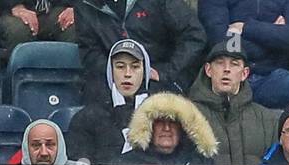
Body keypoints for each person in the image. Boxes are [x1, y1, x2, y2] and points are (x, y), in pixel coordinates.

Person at [196, 0, 289, 111]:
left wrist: (246, 28)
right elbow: (222, 42)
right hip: (232, 76)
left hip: (271, 76)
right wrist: (274, 33)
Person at [77, 0, 206, 96]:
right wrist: (116, 73)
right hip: (112, 83)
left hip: (160, 77)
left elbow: (194, 36)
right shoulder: (84, 5)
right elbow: (90, 51)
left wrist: (167, 72)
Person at [188, 40, 280, 165]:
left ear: (244, 73)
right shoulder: (188, 115)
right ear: (208, 70)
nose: (226, 69)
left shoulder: (268, 120)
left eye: (234, 64)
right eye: (220, 63)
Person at [66, 38, 152, 165]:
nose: (127, 74)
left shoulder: (161, 116)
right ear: (110, 71)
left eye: (135, 66)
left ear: (145, 71)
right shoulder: (87, 118)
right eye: (120, 67)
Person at [0, 0, 75, 68]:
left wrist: (76, 8)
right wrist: (15, 6)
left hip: (59, 8)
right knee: (18, 30)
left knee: (72, 26)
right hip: (12, 9)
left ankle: (70, 81)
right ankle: (20, 80)